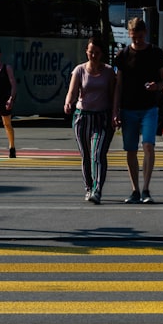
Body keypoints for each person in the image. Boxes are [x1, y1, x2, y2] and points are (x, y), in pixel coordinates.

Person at [112, 17, 163, 204]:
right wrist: (115, 110)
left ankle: (146, 189)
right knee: (130, 149)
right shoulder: (122, 56)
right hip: (128, 108)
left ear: (145, 34)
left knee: (148, 146)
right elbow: (118, 86)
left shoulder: (155, 53)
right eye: (134, 37)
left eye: (140, 37)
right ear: (129, 35)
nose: (137, 41)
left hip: (149, 108)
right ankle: (135, 189)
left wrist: (156, 86)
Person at [64, 35, 116, 204]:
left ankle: (97, 189)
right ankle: (89, 187)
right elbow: (72, 91)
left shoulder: (108, 71)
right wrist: (68, 103)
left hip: (102, 117)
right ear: (86, 51)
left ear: (102, 54)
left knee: (98, 154)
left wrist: (116, 113)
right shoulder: (79, 70)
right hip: (82, 117)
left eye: (97, 53)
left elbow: (113, 95)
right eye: (91, 52)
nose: (93, 55)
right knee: (86, 155)